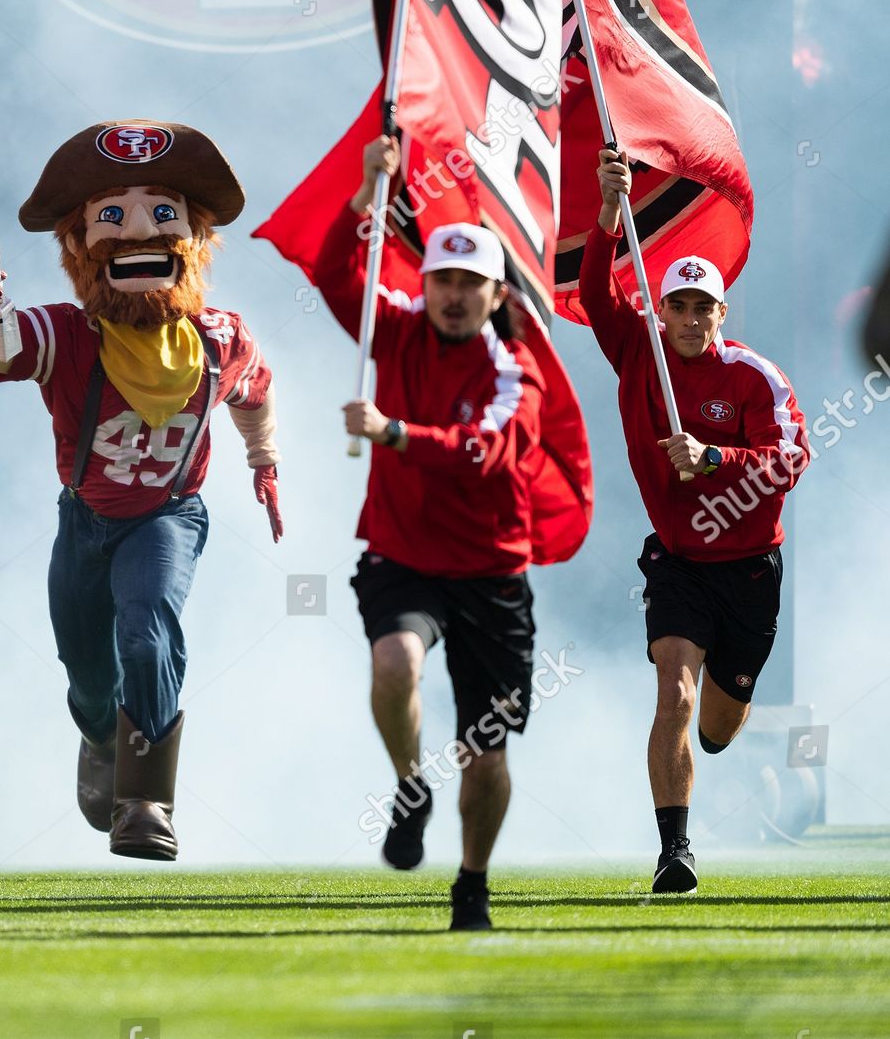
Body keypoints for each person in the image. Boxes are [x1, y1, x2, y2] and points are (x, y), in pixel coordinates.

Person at [0, 120, 282, 861]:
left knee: (147, 631)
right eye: (113, 217)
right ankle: (103, 735)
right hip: (87, 523)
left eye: (163, 214)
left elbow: (255, 391)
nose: (139, 232)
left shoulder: (222, 338)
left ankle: (146, 804)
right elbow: (2, 348)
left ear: (193, 241)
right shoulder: (71, 335)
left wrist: (263, 461)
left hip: (167, 517)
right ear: (81, 248)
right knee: (87, 674)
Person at [325, 137, 548, 932]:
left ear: (495, 293)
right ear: (426, 282)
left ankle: (473, 882)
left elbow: (486, 456)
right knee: (394, 665)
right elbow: (338, 274)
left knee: (485, 751)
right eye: (442, 279)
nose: (453, 295)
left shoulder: (516, 370)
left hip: (491, 573)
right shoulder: (400, 324)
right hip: (404, 557)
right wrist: (367, 192)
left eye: (470, 283)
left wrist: (393, 434)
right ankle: (408, 785)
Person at [581, 148, 809, 894]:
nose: (684, 319)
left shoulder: (754, 376)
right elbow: (593, 293)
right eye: (674, 305)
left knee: (716, 725)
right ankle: (674, 851)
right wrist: (610, 208)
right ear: (662, 309)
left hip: (748, 570)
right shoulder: (638, 353)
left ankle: (720, 731)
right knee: (673, 692)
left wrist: (713, 460)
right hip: (678, 564)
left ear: (721, 313)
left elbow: (791, 459)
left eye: (699, 307)